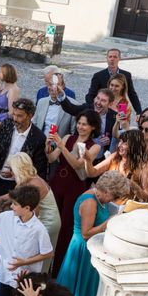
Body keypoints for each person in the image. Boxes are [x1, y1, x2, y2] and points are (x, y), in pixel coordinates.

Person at [57, 171, 130, 296]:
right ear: (107, 190)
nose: (113, 200)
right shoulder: (90, 202)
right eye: (113, 196)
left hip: (92, 247)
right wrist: (108, 223)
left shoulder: (98, 197)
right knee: (75, 288)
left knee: (91, 285)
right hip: (82, 249)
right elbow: (86, 233)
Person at [47, 110, 102, 275]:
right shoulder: (67, 137)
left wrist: (62, 147)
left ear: (92, 127)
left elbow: (78, 165)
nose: (80, 127)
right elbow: (51, 159)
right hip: (58, 181)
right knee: (51, 221)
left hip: (75, 186)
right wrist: (49, 146)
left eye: (84, 124)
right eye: (79, 123)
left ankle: (58, 270)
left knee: (66, 226)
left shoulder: (95, 146)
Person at [7, 152, 61, 273]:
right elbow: (13, 196)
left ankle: (37, 281)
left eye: (12, 168)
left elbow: (33, 212)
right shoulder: (27, 180)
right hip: (41, 218)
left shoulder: (34, 184)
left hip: (48, 221)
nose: (10, 171)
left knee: (38, 253)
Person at [0, 98, 48, 196]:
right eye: (14, 114)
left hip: (20, 184)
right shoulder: (7, 124)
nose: (15, 119)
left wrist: (16, 173)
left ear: (30, 116)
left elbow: (39, 168)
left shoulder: (39, 138)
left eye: (19, 116)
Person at [84, 129, 148, 203]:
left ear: (135, 146)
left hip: (126, 211)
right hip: (107, 204)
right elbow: (92, 173)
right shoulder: (114, 157)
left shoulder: (144, 166)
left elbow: (147, 198)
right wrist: (87, 160)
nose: (119, 145)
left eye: (125, 143)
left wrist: (132, 184)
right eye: (120, 141)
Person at [59, 85, 115, 157]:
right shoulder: (87, 108)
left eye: (103, 101)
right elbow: (71, 109)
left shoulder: (114, 117)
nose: (98, 102)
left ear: (110, 104)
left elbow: (117, 136)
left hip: (100, 157)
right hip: (79, 154)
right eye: (97, 98)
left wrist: (109, 139)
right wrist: (61, 95)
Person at [85, 48, 142, 116]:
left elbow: (132, 94)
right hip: (103, 109)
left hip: (120, 105)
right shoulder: (98, 76)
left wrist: (139, 112)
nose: (112, 59)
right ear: (107, 58)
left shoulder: (126, 75)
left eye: (115, 57)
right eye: (110, 57)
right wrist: (94, 110)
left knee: (121, 122)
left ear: (119, 58)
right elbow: (90, 95)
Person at [33, 73, 76, 138]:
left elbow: (73, 133)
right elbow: (34, 124)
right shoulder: (41, 102)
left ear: (63, 87)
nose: (53, 88)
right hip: (40, 142)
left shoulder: (72, 105)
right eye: (51, 84)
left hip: (59, 145)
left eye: (57, 84)